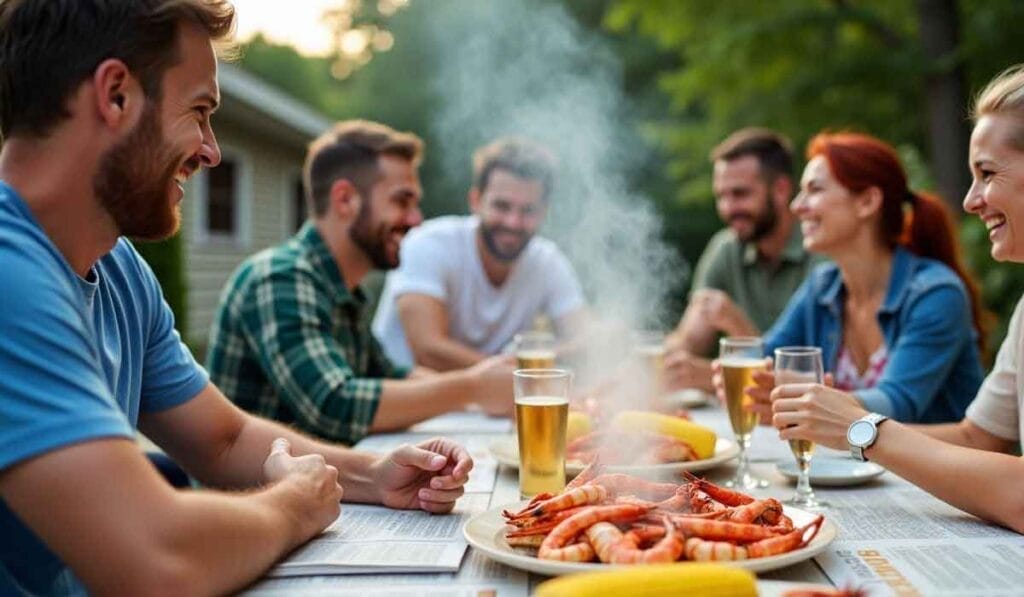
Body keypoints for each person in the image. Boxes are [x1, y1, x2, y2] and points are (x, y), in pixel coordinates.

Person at [0, 3, 473, 594]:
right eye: (199, 112)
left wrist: (372, 476)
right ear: (116, 95)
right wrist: (296, 503)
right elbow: (156, 558)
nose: (211, 151)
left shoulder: (120, 271)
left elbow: (223, 439)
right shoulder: (9, 271)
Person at [769, 65, 1024, 533]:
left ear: (868, 202)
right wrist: (848, 430)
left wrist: (862, 429)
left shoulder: (934, 291)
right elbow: (978, 438)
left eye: (986, 173)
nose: (969, 200)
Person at [207, 121, 515, 445]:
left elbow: (392, 376)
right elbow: (334, 404)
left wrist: (486, 390)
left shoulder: (344, 289)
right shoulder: (279, 278)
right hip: (250, 494)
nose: (415, 219)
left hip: (320, 483)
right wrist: (472, 386)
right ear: (345, 200)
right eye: (402, 201)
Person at [730, 131, 985, 424]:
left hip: (937, 469)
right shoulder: (823, 286)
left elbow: (899, 403)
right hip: (857, 467)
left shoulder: (936, 293)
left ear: (867, 202)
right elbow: (767, 356)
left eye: (814, 190)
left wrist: (814, 400)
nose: (796, 206)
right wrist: (712, 371)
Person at [371, 137, 587, 371]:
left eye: (528, 210)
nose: (513, 222)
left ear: (544, 212)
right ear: (475, 201)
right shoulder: (428, 244)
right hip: (408, 400)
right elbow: (428, 350)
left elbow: (585, 340)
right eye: (501, 206)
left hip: (488, 404)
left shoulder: (546, 261)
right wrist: (522, 373)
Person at [664, 128, 815, 391]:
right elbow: (687, 340)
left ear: (780, 190)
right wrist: (656, 363)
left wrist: (736, 324)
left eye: (740, 194)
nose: (727, 209)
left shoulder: (821, 252)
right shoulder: (725, 248)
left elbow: (816, 374)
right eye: (721, 196)